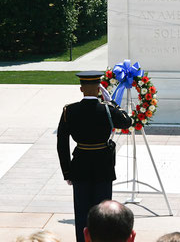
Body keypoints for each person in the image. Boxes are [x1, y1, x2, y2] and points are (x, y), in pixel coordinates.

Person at [57, 71, 133, 242]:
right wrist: (111, 102)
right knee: (104, 214)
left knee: (82, 213)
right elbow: (127, 122)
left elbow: (61, 143)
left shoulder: (69, 110)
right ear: (99, 89)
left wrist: (67, 172)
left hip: (80, 166)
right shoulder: (108, 109)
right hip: (103, 167)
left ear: (81, 88)